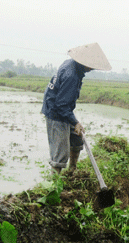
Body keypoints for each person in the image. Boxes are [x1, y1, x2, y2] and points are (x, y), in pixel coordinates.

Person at [41, 43, 112, 174]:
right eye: (91, 65)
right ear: (84, 61)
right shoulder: (71, 75)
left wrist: (74, 123)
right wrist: (75, 122)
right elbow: (61, 105)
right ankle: (54, 183)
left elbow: (64, 103)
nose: (92, 68)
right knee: (60, 153)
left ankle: (72, 171)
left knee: (77, 138)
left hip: (63, 109)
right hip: (55, 112)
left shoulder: (72, 65)